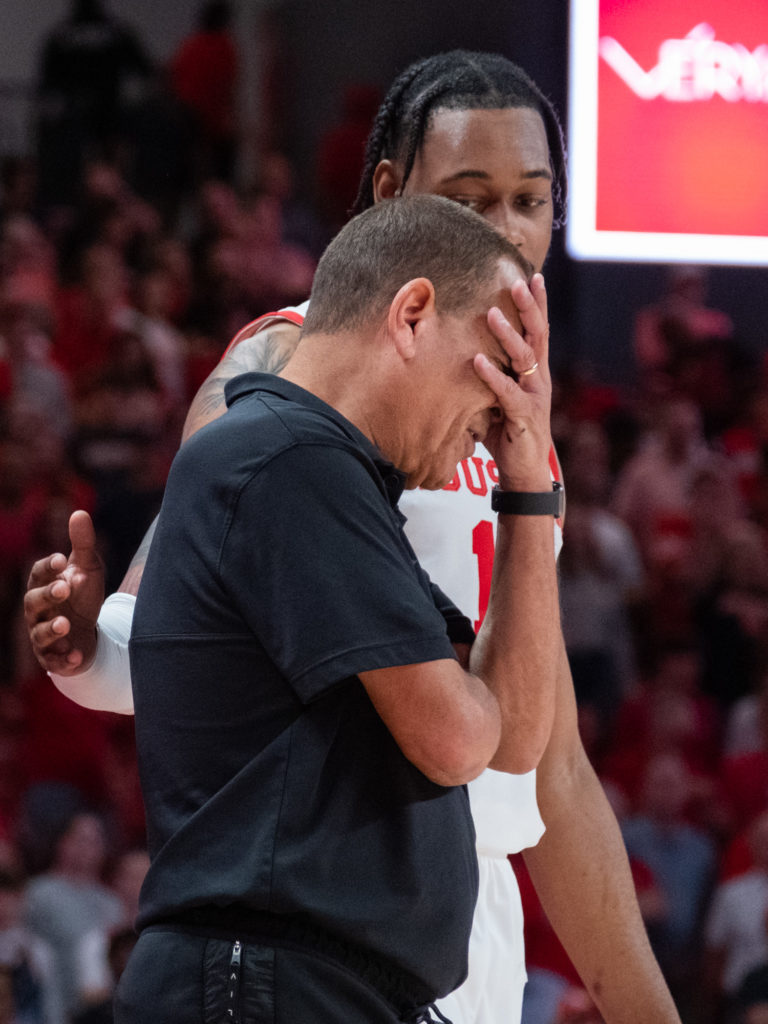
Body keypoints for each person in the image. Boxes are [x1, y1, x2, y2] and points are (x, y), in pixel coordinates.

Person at [24, 51, 680, 1024]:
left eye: (529, 200)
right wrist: (83, 652)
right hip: (318, 919)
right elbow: (162, 639)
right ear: (390, 200)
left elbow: (552, 765)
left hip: (462, 914)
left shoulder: (517, 432)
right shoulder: (291, 364)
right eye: (469, 197)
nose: (503, 232)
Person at [124, 194, 559, 1022]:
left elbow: (516, 737)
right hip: (267, 981)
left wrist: (529, 484)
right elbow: (460, 737)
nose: (500, 415)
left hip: (304, 981)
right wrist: (473, 709)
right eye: (496, 369)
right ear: (413, 314)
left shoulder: (332, 479)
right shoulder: (289, 457)